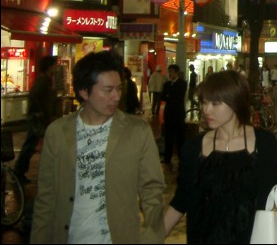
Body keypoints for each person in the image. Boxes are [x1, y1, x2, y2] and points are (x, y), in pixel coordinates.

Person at [31, 51, 164, 243]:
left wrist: (152, 237)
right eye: (108, 90)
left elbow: (152, 190)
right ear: (84, 91)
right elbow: (46, 197)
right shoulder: (58, 133)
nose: (116, 96)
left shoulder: (137, 132)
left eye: (119, 88)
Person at [164, 70, 277, 243]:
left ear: (235, 102)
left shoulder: (264, 143)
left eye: (215, 103)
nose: (207, 110)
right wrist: (153, 236)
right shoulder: (193, 148)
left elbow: (274, 199)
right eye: (204, 103)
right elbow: (182, 199)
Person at [14, 55, 59, 184]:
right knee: (31, 144)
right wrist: (39, 111)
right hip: (38, 118)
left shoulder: (47, 79)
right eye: (55, 65)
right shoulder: (43, 80)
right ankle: (19, 171)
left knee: (33, 144)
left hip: (42, 118)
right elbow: (34, 96)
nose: (56, 67)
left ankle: (20, 170)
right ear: (49, 66)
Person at [162, 63, 187, 166]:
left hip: (178, 114)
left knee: (180, 137)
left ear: (176, 73)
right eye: (169, 72)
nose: (169, 74)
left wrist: (170, 96)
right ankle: (167, 157)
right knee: (168, 137)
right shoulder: (167, 84)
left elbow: (178, 96)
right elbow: (163, 97)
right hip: (168, 114)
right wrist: (170, 96)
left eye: (171, 72)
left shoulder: (182, 83)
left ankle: (182, 158)